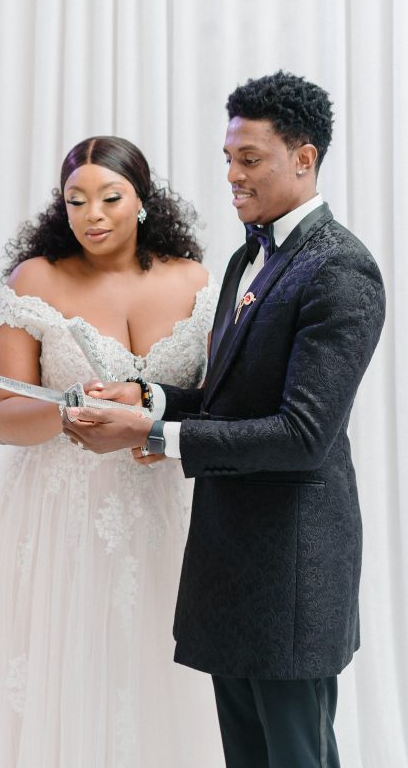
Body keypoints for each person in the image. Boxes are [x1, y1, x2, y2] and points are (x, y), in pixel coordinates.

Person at [64, 73, 386, 768]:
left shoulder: (342, 271)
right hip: (231, 561)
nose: (232, 176)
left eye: (250, 159)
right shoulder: (247, 255)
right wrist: (145, 398)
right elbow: (229, 396)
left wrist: (154, 437)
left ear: (304, 160)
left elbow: (303, 436)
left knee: (298, 756)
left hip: (294, 572)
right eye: (228, 159)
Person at [0, 135, 223, 767]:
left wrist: (158, 426)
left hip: (162, 511)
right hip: (59, 517)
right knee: (65, 670)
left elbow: (215, 400)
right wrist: (66, 410)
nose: (91, 215)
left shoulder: (195, 281)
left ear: (143, 201)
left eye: (109, 198)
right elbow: (1, 418)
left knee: (157, 671)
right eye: (75, 200)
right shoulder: (36, 279)